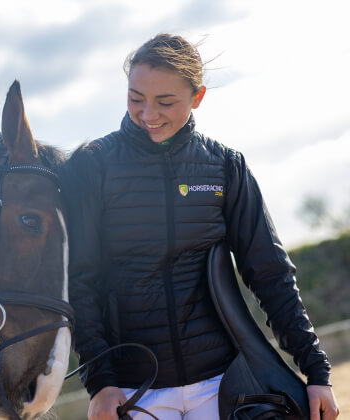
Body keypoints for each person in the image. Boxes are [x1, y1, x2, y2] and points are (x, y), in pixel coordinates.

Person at [64, 33, 340, 420]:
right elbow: (80, 282)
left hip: (225, 385)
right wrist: (101, 383)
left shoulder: (225, 166)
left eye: (165, 102)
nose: (148, 115)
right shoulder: (91, 166)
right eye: (135, 98)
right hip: (134, 392)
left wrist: (316, 371)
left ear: (197, 97)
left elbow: (270, 274)